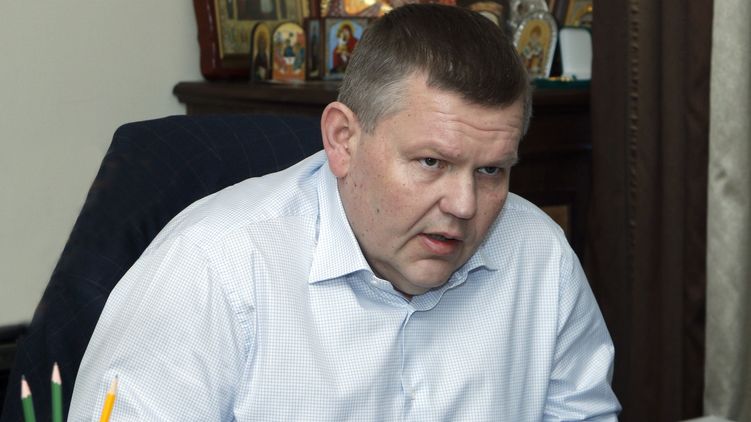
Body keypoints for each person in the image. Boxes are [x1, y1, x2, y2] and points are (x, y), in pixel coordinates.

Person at [68, 4, 620, 420]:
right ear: (342, 139)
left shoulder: (539, 256)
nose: (463, 205)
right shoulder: (213, 268)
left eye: (492, 170)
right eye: (431, 161)